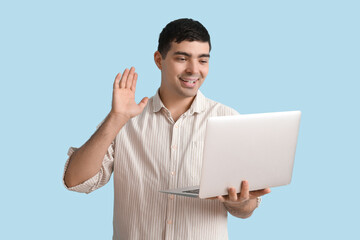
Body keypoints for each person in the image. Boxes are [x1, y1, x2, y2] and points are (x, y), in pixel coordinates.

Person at [63, 18, 271, 239]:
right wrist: (115, 118)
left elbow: (247, 208)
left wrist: (239, 202)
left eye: (203, 60)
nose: (193, 70)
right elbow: (76, 181)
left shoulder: (228, 119)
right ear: (159, 60)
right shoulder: (125, 120)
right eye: (182, 58)